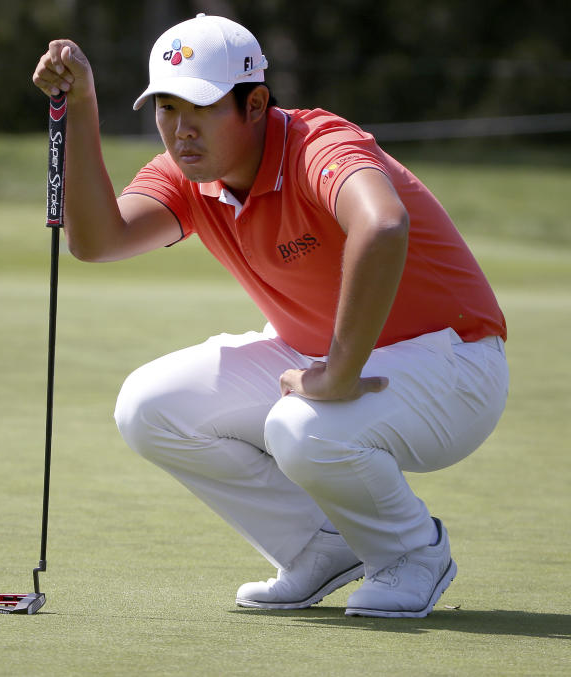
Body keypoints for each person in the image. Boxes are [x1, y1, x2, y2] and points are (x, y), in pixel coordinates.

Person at [32, 13, 508, 618]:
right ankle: (318, 546)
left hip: (455, 364)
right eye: (167, 110)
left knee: (299, 424)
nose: (181, 132)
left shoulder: (318, 144)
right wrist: (82, 107)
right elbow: (95, 240)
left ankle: (413, 553)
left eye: (199, 109)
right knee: (148, 406)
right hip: (326, 356)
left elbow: (383, 224)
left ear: (255, 105)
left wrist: (337, 370)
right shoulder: (187, 179)